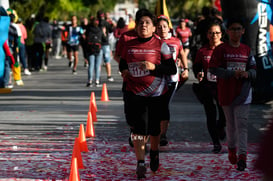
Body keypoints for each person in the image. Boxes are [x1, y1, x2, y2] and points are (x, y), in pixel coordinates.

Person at [119, 9, 177, 179]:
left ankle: (154, 150)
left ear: (153, 28)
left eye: (147, 23)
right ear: (136, 27)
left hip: (156, 94)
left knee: (153, 128)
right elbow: (122, 63)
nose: (143, 25)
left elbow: (171, 69)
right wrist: (124, 71)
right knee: (138, 127)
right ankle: (140, 162)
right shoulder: (129, 45)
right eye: (140, 23)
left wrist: (154, 68)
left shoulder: (162, 46)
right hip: (134, 92)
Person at [209, 18, 256, 171]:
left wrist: (248, 74)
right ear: (227, 32)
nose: (236, 32)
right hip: (226, 93)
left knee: (242, 124)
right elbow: (213, 69)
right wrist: (231, 73)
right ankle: (231, 149)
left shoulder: (247, 50)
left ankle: (242, 156)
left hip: (243, 93)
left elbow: (254, 71)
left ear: (243, 31)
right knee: (231, 125)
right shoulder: (221, 49)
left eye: (238, 29)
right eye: (233, 29)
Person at [192, 21, 226, 153]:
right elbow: (197, 66)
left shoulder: (226, 49)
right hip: (207, 86)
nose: (214, 35)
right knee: (210, 114)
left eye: (217, 33)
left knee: (223, 114)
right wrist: (198, 73)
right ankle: (216, 143)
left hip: (223, 87)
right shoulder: (202, 51)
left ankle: (221, 126)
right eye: (211, 33)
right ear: (207, 35)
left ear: (221, 34)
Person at [156, 15, 189, 146]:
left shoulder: (176, 41)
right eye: (159, 27)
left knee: (164, 105)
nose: (162, 29)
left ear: (168, 28)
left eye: (164, 26)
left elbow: (181, 54)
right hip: (155, 79)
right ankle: (153, 131)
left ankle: (163, 134)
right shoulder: (153, 41)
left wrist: (185, 68)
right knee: (156, 105)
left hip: (172, 78)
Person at [85, 17, 103, 87]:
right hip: (98, 49)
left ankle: (90, 80)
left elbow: (86, 39)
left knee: (91, 65)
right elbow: (103, 38)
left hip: (90, 49)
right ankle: (97, 81)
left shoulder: (88, 30)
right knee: (97, 66)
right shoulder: (99, 30)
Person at [97, 10, 114, 82]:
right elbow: (111, 30)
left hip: (98, 44)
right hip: (105, 43)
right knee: (107, 61)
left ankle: (98, 76)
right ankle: (109, 76)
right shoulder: (106, 22)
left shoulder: (96, 23)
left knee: (98, 61)